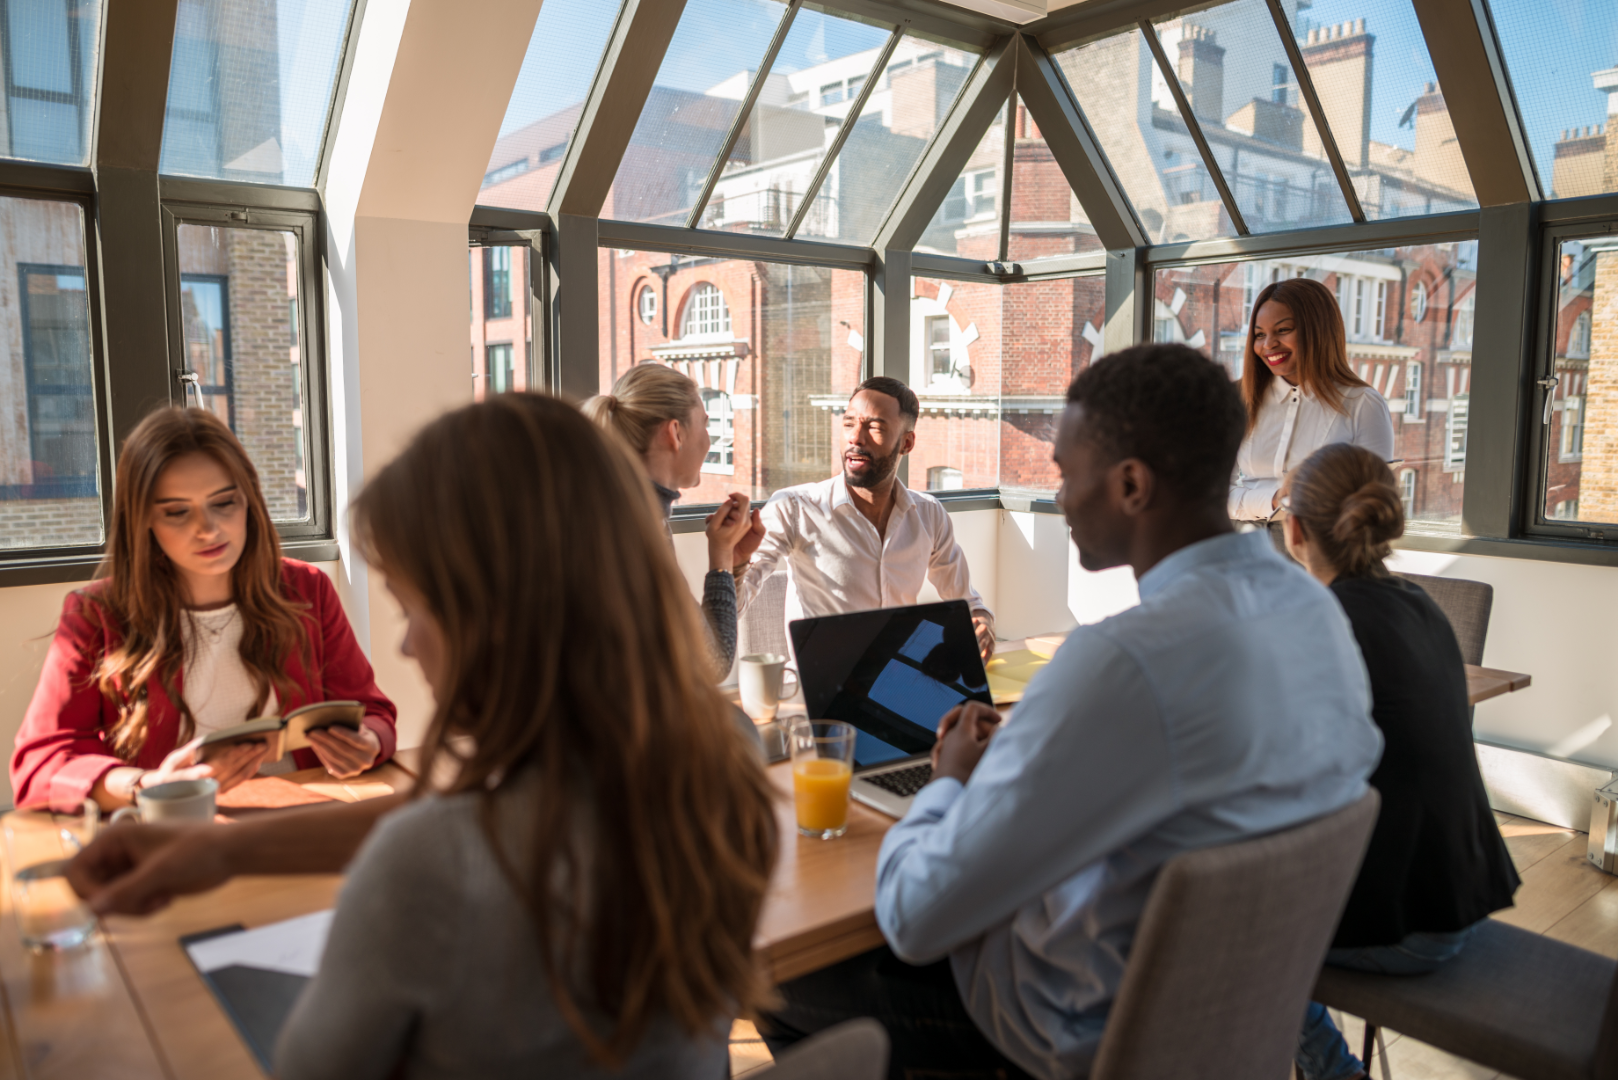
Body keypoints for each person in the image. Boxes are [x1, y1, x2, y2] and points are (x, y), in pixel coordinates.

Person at [64, 393, 779, 1080]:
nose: (405, 647)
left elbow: (315, 1063)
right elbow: (489, 817)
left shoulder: (430, 867)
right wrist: (223, 853)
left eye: (415, 608)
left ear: (500, 613)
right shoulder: (724, 749)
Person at [760, 344, 1383, 1080]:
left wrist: (953, 781)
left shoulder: (1117, 660)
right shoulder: (1318, 615)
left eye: (1063, 471)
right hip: (1224, 1019)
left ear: (1129, 484)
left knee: (775, 976)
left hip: (1071, 1030)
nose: (1057, 497)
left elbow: (916, 915)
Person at [12, 408, 395, 812]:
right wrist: (150, 785)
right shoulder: (96, 614)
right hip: (176, 833)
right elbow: (39, 766)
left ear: (249, 500)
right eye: (177, 511)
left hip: (303, 818)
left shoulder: (307, 590)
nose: (208, 529)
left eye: (224, 503)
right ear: (143, 520)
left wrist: (367, 742)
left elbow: (370, 712)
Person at [1280, 443, 1519, 1080]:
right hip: (1457, 893)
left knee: (1218, 922)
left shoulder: (1321, 622)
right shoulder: (1419, 604)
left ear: (1295, 530)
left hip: (1406, 926)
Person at [737, 376, 995, 661]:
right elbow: (734, 602)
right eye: (849, 423)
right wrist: (733, 560)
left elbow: (968, 603)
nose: (855, 437)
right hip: (824, 691)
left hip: (897, 679)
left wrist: (981, 622)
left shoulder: (929, 515)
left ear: (906, 443)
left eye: (874, 426)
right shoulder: (795, 508)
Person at [582, 363, 762, 676]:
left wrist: (728, 558)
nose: (709, 441)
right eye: (705, 425)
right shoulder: (639, 530)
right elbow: (711, 664)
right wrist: (722, 560)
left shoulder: (611, 510)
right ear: (675, 433)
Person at [1229, 277, 1394, 531]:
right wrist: (1275, 500)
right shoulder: (1237, 398)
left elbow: (1376, 505)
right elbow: (1211, 495)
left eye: (1283, 330)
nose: (1268, 344)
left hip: (1326, 551)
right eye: (1260, 334)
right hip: (1244, 547)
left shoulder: (1363, 404)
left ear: (1318, 329)